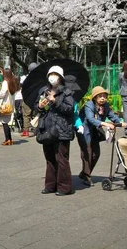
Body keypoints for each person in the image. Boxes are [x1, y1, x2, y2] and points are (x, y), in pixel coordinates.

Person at [38, 66, 75, 196]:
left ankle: (64, 187)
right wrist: (40, 106)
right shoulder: (44, 91)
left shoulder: (67, 92)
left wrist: (56, 101)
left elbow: (70, 109)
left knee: (61, 158)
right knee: (49, 158)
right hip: (47, 128)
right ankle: (50, 185)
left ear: (60, 77)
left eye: (55, 74)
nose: (53, 77)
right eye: (51, 74)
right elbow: (37, 109)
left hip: (61, 129)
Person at [78, 86, 126, 187]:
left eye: (104, 96)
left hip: (95, 129)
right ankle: (87, 177)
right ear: (95, 97)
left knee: (96, 153)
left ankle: (84, 173)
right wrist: (105, 124)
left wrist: (121, 123)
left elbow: (112, 116)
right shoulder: (89, 105)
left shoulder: (106, 105)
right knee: (87, 153)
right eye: (100, 96)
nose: (103, 98)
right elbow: (91, 119)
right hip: (84, 130)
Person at [0, 69, 18, 146]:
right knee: (6, 122)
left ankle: (7, 139)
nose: (1, 74)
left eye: (2, 72)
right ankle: (10, 139)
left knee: (4, 122)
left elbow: (3, 93)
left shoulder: (5, 82)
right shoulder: (12, 82)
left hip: (5, 104)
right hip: (10, 104)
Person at [19, 63, 38, 137]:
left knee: (26, 115)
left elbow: (21, 86)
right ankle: (36, 130)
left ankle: (26, 131)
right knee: (36, 115)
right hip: (36, 98)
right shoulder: (40, 78)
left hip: (27, 98)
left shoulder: (25, 77)